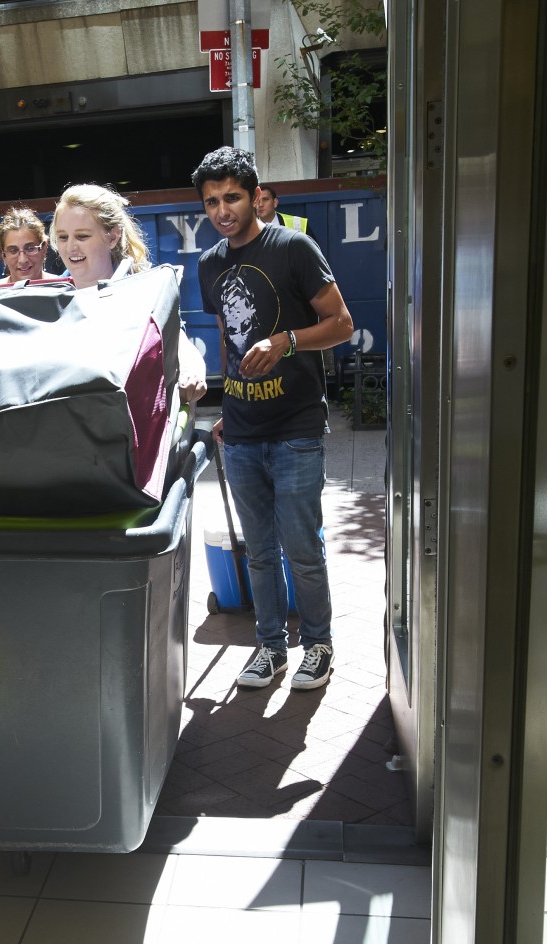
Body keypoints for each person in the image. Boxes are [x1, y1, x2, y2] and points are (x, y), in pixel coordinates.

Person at [191, 147, 354, 691]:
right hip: (241, 433)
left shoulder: (293, 248)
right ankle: (270, 648)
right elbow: (226, 341)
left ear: (256, 195)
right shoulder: (209, 263)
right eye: (211, 202)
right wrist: (226, 407)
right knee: (259, 554)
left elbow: (341, 323)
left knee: (302, 551)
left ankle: (318, 645)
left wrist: (286, 340)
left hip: (295, 429)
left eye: (232, 197)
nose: (222, 210)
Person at [52, 183, 207, 401]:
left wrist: (192, 370)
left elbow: (178, 342)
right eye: (62, 237)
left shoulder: (145, 291)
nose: (70, 247)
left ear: (113, 237)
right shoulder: (48, 299)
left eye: (82, 236)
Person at [0, 207, 50, 284]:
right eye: (13, 251)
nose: (22, 260)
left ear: (44, 248)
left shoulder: (63, 287)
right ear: (3, 255)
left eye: (30, 248)